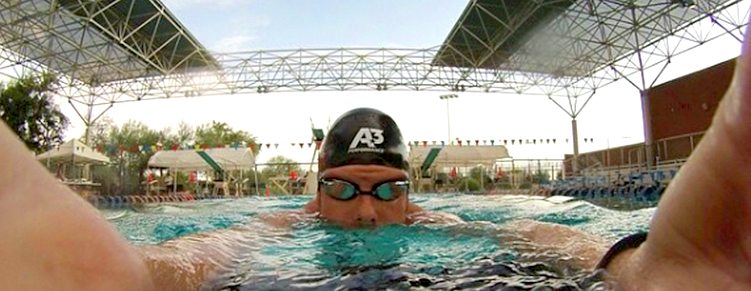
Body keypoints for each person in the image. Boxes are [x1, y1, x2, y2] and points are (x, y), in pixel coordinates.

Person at [2, 24, 751, 291]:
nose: (365, 212)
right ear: (312, 188)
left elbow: (533, 237)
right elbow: (205, 252)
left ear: (411, 192)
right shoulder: (272, 227)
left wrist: (631, 265)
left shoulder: (441, 224)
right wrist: (139, 279)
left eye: (387, 191)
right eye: (344, 188)